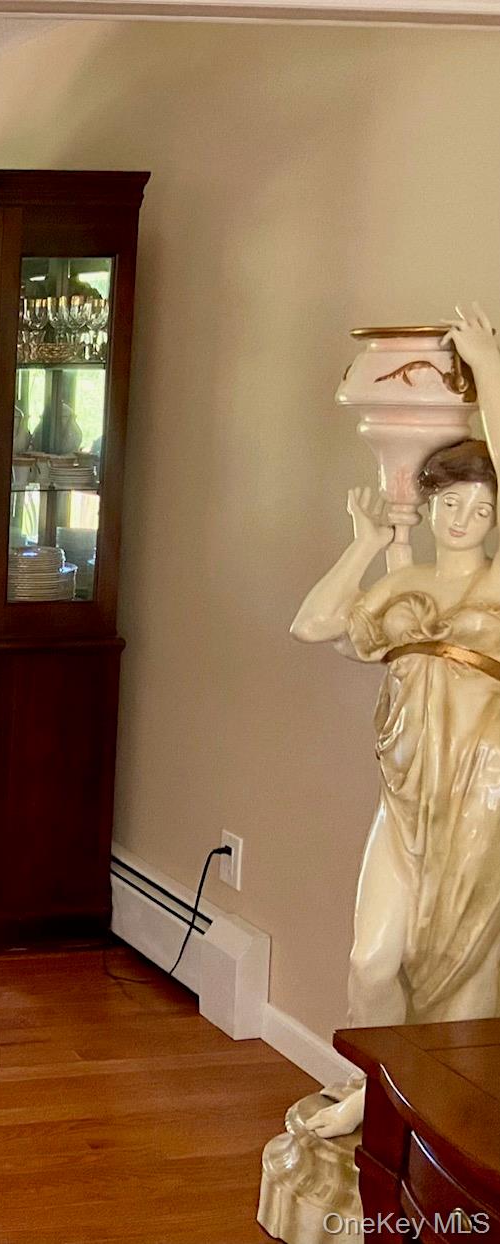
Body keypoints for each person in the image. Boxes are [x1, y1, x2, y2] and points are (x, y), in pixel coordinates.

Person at [290, 306, 500, 1135]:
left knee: (463, 965)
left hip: (483, 795)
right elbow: (313, 624)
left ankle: (434, 1114)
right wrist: (368, 542)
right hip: (405, 797)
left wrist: (485, 376)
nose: (464, 519)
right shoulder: (404, 590)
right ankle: (370, 1086)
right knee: (373, 957)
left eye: (482, 507)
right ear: (431, 503)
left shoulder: (494, 593)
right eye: (451, 503)